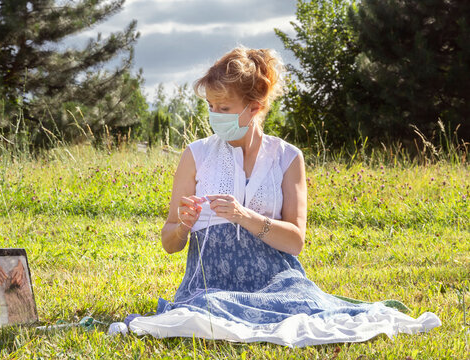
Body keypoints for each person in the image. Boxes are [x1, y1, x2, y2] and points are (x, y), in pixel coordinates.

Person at [128, 46, 441, 347]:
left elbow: (295, 241)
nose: (214, 115)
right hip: (211, 285)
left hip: (278, 283)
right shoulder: (196, 155)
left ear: (255, 107)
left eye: (224, 108)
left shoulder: (287, 158)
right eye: (210, 107)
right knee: (207, 309)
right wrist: (183, 226)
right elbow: (170, 243)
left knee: (304, 312)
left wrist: (243, 216)